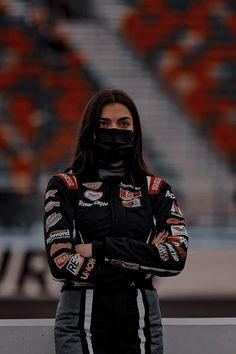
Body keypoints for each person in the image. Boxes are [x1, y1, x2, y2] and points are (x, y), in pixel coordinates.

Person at [44, 88, 189, 354]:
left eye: (123, 124)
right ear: (91, 130)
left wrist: (99, 249)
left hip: (142, 320)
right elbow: (60, 262)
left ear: (135, 133)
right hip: (80, 321)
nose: (115, 130)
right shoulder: (65, 185)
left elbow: (175, 257)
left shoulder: (156, 189)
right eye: (104, 124)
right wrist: (140, 265)